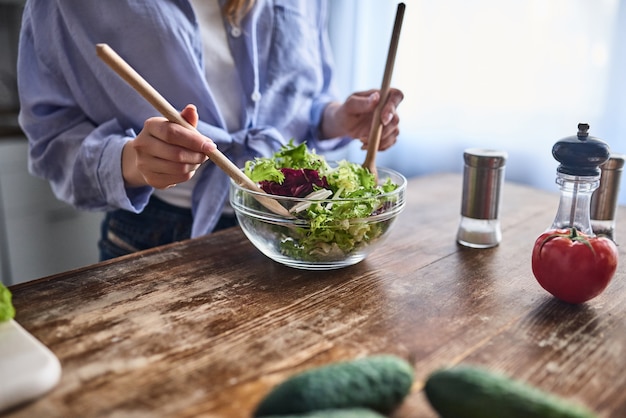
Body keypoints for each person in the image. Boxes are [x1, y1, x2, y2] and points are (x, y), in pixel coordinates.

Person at [17, 0, 404, 261]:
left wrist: (338, 118)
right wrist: (135, 160)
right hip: (159, 235)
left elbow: (303, 104)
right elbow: (53, 139)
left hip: (293, 227)